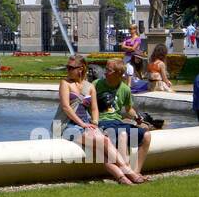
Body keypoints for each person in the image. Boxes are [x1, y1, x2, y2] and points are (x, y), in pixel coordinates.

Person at [55, 57, 145, 185]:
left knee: (102, 149)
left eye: (71, 68)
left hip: (85, 124)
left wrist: (95, 123)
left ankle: (122, 178)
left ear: (81, 69)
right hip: (67, 125)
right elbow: (66, 107)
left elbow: (94, 109)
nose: (67, 70)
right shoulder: (65, 83)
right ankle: (129, 171)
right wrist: (83, 124)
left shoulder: (90, 86)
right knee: (103, 140)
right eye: (67, 67)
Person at [95, 58, 153, 175]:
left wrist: (136, 117)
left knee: (146, 135)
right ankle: (126, 172)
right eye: (106, 69)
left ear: (118, 74)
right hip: (103, 122)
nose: (105, 72)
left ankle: (136, 171)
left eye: (108, 70)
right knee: (123, 133)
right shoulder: (96, 84)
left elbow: (128, 109)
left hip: (117, 122)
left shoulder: (125, 89)